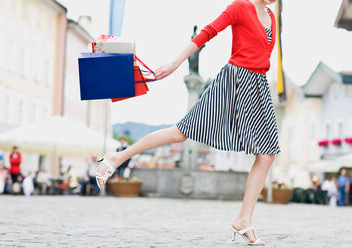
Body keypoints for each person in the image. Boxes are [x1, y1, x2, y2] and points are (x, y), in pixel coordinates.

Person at [96, 0, 279, 245]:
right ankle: (116, 157)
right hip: (233, 83)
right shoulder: (240, 6)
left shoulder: (272, 17)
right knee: (180, 133)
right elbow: (207, 32)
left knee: (267, 154)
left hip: (258, 87)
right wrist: (174, 63)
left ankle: (244, 219)